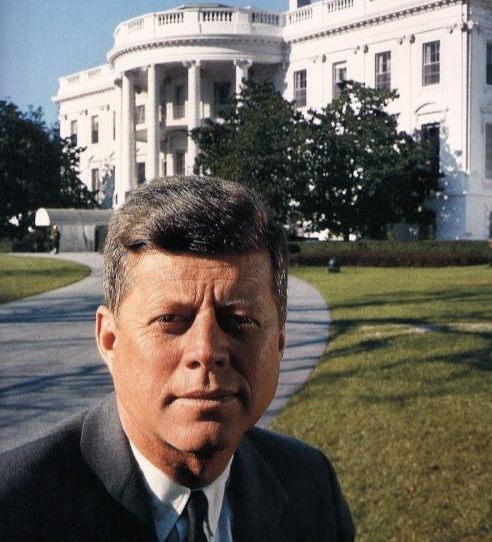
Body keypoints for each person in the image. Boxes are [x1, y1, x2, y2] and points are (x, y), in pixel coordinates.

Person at [0, 176, 355, 542]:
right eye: (170, 319)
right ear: (110, 339)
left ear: (279, 343)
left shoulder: (312, 489)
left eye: (239, 321)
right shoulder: (14, 509)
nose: (207, 351)